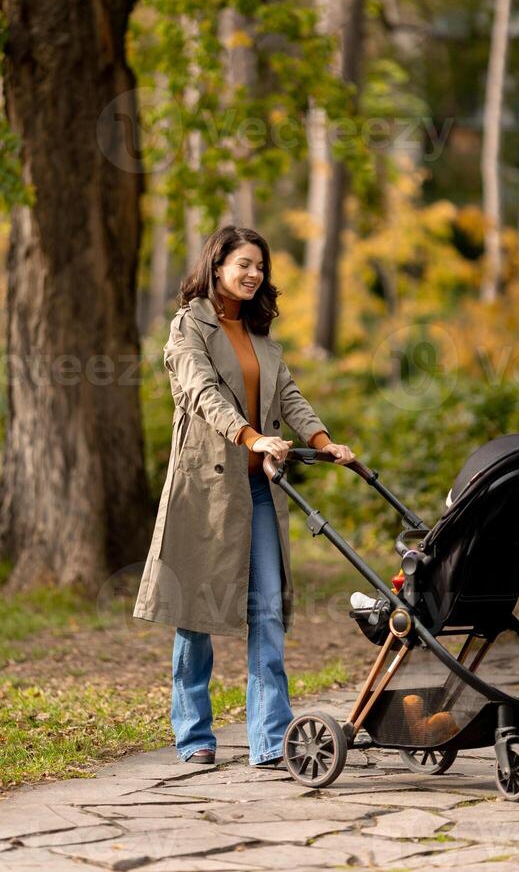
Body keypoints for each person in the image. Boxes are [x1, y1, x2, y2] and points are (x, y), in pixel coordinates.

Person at [133, 225, 356, 767]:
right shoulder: (189, 327)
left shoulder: (261, 337)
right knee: (198, 611)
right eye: (244, 264)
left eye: (260, 265)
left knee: (268, 611)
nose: (254, 273)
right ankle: (193, 735)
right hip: (206, 490)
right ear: (217, 268)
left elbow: (290, 396)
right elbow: (203, 392)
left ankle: (271, 738)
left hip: (259, 489)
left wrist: (324, 442)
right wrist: (250, 435)